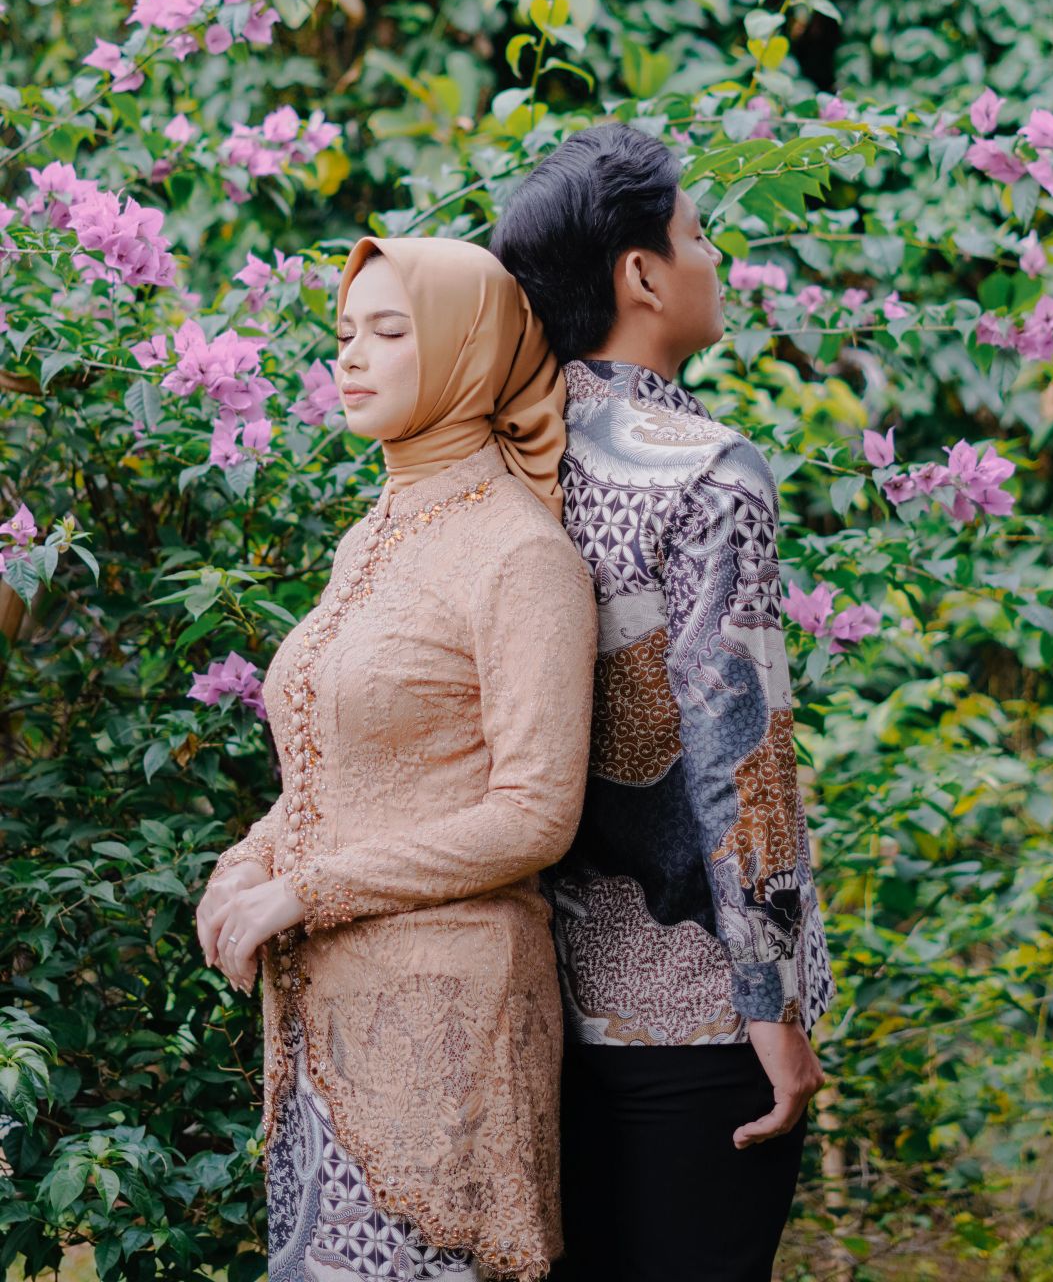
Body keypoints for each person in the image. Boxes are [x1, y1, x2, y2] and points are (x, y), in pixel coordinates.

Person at [195, 235, 598, 1282]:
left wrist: (305, 889)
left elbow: (534, 813)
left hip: (445, 1029)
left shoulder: (521, 555)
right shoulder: (371, 536)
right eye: (343, 333)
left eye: (388, 331)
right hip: (318, 1023)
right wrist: (246, 864)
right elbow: (332, 769)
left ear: (469, 351)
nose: (350, 356)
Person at [490, 121, 838, 1282]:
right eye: (696, 235)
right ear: (639, 273)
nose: (713, 257)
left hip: (529, 998)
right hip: (696, 1015)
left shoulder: (491, 460)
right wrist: (770, 1003)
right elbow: (741, 753)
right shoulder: (703, 467)